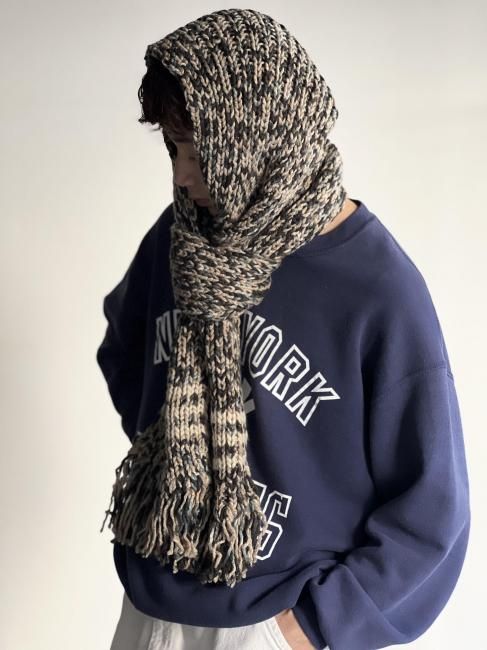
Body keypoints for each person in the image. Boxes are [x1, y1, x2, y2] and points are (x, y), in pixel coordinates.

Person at [97, 9, 471, 650]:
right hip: (149, 608)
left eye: (198, 151)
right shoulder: (183, 238)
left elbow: (433, 510)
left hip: (273, 623)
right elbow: (126, 348)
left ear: (257, 140)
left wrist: (310, 627)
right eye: (173, 148)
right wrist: (181, 459)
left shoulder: (376, 288)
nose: (181, 174)